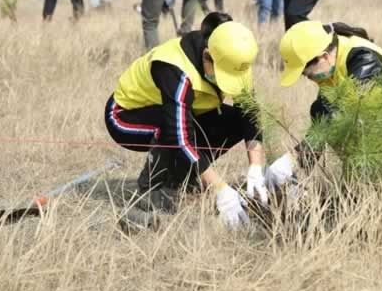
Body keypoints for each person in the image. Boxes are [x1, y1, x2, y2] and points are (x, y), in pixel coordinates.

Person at [104, 13, 269, 228]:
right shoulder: (174, 67)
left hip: (186, 114)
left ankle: (182, 180)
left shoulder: (234, 61)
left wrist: (255, 168)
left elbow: (249, 115)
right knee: (172, 126)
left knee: (236, 120)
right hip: (126, 116)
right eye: (221, 75)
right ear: (207, 56)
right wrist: (220, 189)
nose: (224, 83)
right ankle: (150, 190)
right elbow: (179, 134)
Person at [263, 21, 382, 188]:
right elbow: (323, 121)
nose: (309, 79)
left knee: (338, 120)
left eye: (307, 74)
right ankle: (352, 187)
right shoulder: (329, 71)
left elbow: (344, 114)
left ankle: (371, 187)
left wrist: (292, 159)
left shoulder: (362, 58)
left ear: (323, 57)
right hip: (381, 129)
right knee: (319, 109)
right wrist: (296, 168)